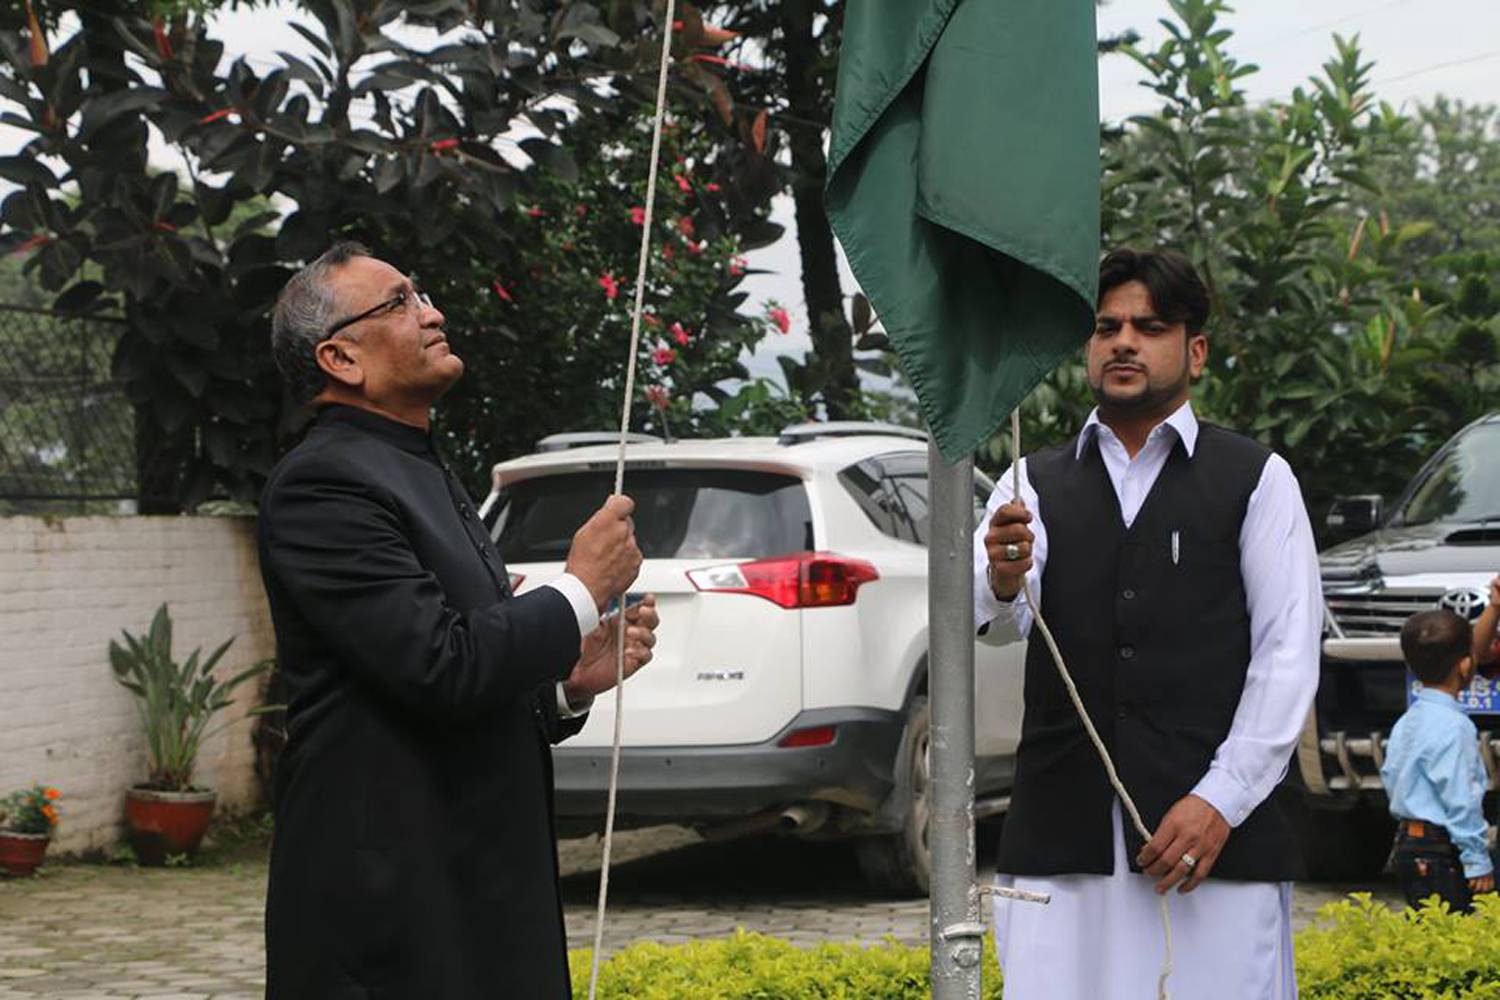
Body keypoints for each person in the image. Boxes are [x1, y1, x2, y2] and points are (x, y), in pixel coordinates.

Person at [259, 241, 659, 998]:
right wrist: (579, 589)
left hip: (470, 888)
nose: (433, 313)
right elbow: (439, 667)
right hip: (394, 909)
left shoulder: (411, 463)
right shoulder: (323, 484)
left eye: (423, 293)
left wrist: (566, 684)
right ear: (340, 359)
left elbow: (457, 672)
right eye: (400, 302)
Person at [974, 248, 1322, 999]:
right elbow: (997, 622)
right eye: (1107, 327)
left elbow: (1287, 658)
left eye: (1149, 325)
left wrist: (1218, 801)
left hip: (1211, 843)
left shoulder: (1257, 479)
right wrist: (1003, 579)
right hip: (1063, 836)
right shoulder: (1031, 480)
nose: (1124, 341)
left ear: (1193, 350)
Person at [1382, 608, 1493, 912]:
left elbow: (1390, 774)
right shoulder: (1456, 726)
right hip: (1443, 848)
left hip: (1407, 842)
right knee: (1457, 932)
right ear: (1466, 665)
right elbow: (1461, 798)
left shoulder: (1407, 721)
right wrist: (1476, 859)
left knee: (1424, 927)